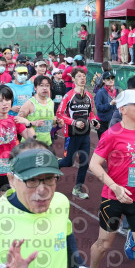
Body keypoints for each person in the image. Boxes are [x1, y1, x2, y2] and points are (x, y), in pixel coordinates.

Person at [0, 140, 100, 268]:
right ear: (12, 180)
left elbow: (66, 235)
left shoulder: (60, 203)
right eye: (31, 180)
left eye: (49, 178)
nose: (43, 190)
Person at [89, 90, 135, 268]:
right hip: (113, 199)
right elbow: (94, 164)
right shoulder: (111, 134)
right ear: (123, 109)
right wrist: (115, 187)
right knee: (103, 245)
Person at [0, 86, 35, 209]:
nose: (5, 103)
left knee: (6, 210)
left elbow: (32, 140)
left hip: (10, 173)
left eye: (7, 100)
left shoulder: (14, 120)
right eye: (0, 100)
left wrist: (28, 123)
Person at [57, 68, 100, 199]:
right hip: (72, 135)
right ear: (73, 79)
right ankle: (53, 165)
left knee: (84, 162)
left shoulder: (89, 96)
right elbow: (59, 114)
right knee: (68, 162)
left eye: (84, 76)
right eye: (79, 76)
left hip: (85, 135)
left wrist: (94, 121)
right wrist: (74, 122)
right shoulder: (68, 96)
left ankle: (78, 188)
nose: (82, 78)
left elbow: (91, 113)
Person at [18, 76, 59, 148]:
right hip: (30, 145)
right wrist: (33, 123)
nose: (45, 88)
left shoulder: (51, 102)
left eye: (47, 85)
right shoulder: (29, 103)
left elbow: (51, 123)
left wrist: (57, 122)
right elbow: (18, 121)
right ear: (35, 88)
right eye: (41, 85)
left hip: (47, 143)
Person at [94, 71, 118, 138]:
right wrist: (110, 104)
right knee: (103, 142)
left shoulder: (117, 91)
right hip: (103, 122)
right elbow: (98, 107)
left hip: (113, 121)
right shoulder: (100, 92)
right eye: (108, 79)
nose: (111, 80)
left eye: (112, 78)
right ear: (103, 80)